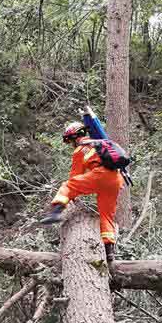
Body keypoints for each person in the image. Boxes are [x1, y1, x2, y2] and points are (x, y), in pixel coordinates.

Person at [39, 106, 124, 263]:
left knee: (68, 185)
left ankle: (55, 212)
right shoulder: (99, 141)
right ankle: (109, 251)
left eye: (70, 140)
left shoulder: (81, 149)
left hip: (100, 175)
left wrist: (72, 196)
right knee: (107, 214)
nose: (71, 143)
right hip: (116, 178)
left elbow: (75, 177)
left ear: (74, 137)